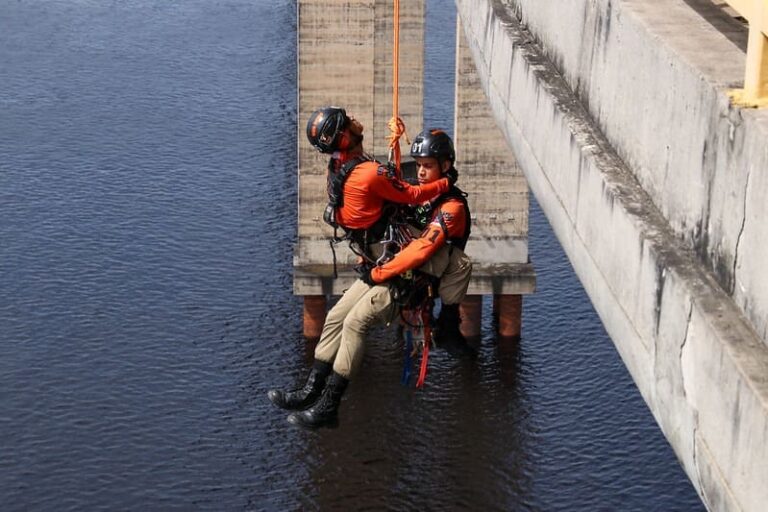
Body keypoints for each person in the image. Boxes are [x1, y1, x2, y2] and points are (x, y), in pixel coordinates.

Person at [267, 126, 473, 430]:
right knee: (336, 315)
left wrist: (379, 271)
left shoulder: (451, 208)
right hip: (388, 267)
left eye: (428, 166)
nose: (421, 172)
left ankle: (329, 407)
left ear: (446, 166)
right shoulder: (424, 196)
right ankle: (310, 391)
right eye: (419, 166)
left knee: (356, 322)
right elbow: (381, 187)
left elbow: (420, 250)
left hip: (409, 281)